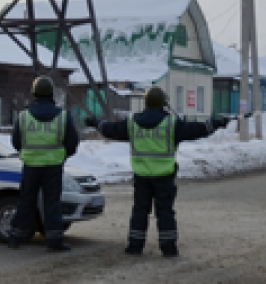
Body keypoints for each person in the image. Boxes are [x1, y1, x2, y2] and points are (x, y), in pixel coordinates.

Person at [97, 86, 227, 257]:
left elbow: (112, 130)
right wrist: (215, 124)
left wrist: (97, 124)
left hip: (142, 175)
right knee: (165, 211)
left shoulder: (132, 122)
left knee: (140, 210)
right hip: (164, 176)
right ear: (163, 103)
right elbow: (195, 130)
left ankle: (135, 246)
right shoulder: (171, 123)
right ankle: (168, 248)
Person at [7, 77, 79, 252]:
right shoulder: (63, 116)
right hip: (54, 165)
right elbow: (72, 142)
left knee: (26, 200)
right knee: (52, 203)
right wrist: (62, 155)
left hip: (31, 165)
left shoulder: (23, 117)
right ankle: (54, 241)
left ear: (34, 94)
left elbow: (16, 142)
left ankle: (16, 237)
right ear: (51, 93)